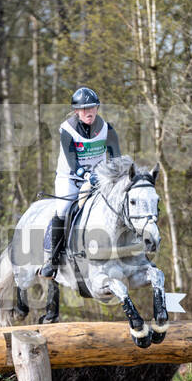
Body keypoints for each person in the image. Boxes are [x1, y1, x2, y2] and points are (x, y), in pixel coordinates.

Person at [40, 87, 121, 278]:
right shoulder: (67, 130)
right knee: (63, 209)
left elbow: (116, 158)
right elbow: (73, 162)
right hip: (70, 178)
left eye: (92, 107)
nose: (88, 112)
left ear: (97, 108)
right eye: (84, 109)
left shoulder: (107, 130)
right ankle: (53, 259)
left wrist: (116, 176)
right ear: (76, 111)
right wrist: (86, 175)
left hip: (98, 179)